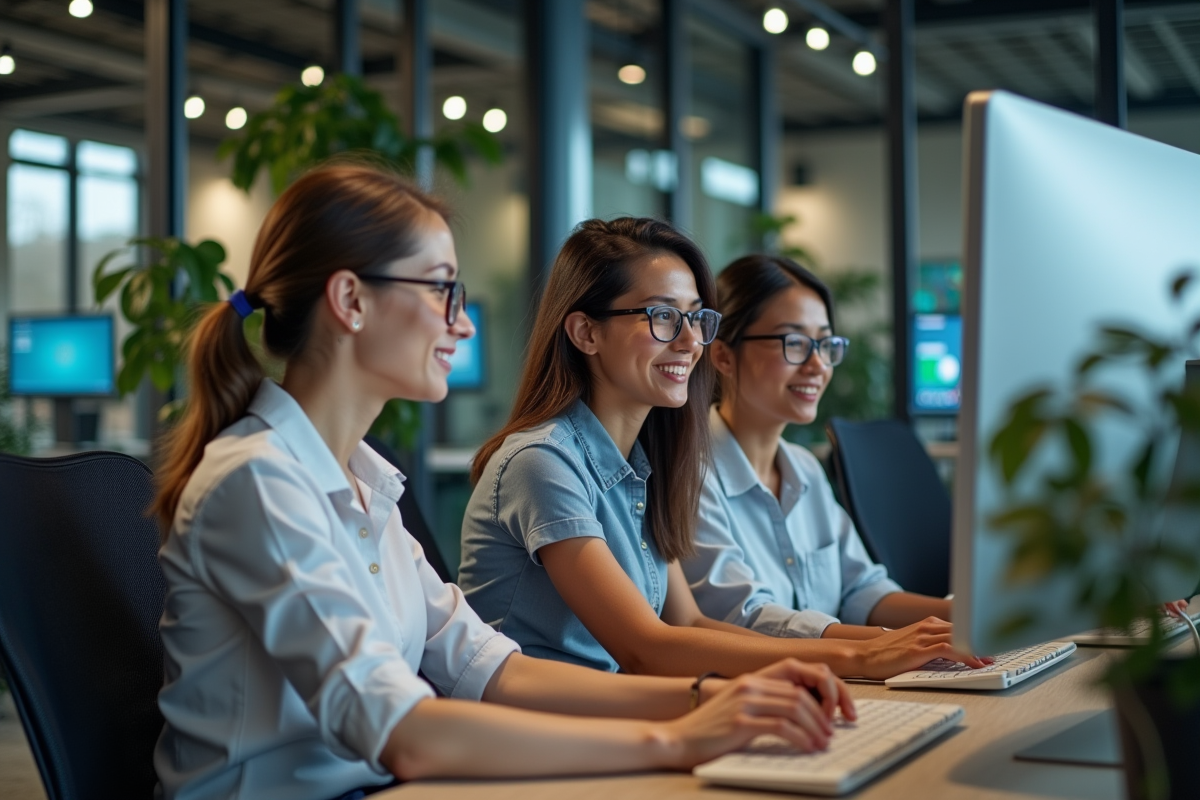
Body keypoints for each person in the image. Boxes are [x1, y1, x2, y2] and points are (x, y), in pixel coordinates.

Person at [151, 166, 854, 800]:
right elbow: (402, 731)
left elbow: (492, 668)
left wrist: (709, 699)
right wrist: (677, 738)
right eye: (441, 290)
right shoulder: (258, 481)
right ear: (350, 300)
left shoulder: (366, 485)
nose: (462, 323)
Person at [458, 217, 985, 683]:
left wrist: (888, 645)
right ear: (585, 333)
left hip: (620, 716)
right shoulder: (542, 463)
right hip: (543, 737)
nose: (691, 342)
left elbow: (689, 623)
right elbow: (646, 648)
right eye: (663, 317)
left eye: (696, 319)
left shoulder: (642, 469)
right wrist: (860, 657)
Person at [680, 254, 953, 641]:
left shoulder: (805, 468)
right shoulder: (689, 474)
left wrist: (969, 619)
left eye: (825, 344)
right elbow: (743, 617)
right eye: (794, 342)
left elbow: (862, 591)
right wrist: (890, 645)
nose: (818, 365)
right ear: (723, 354)